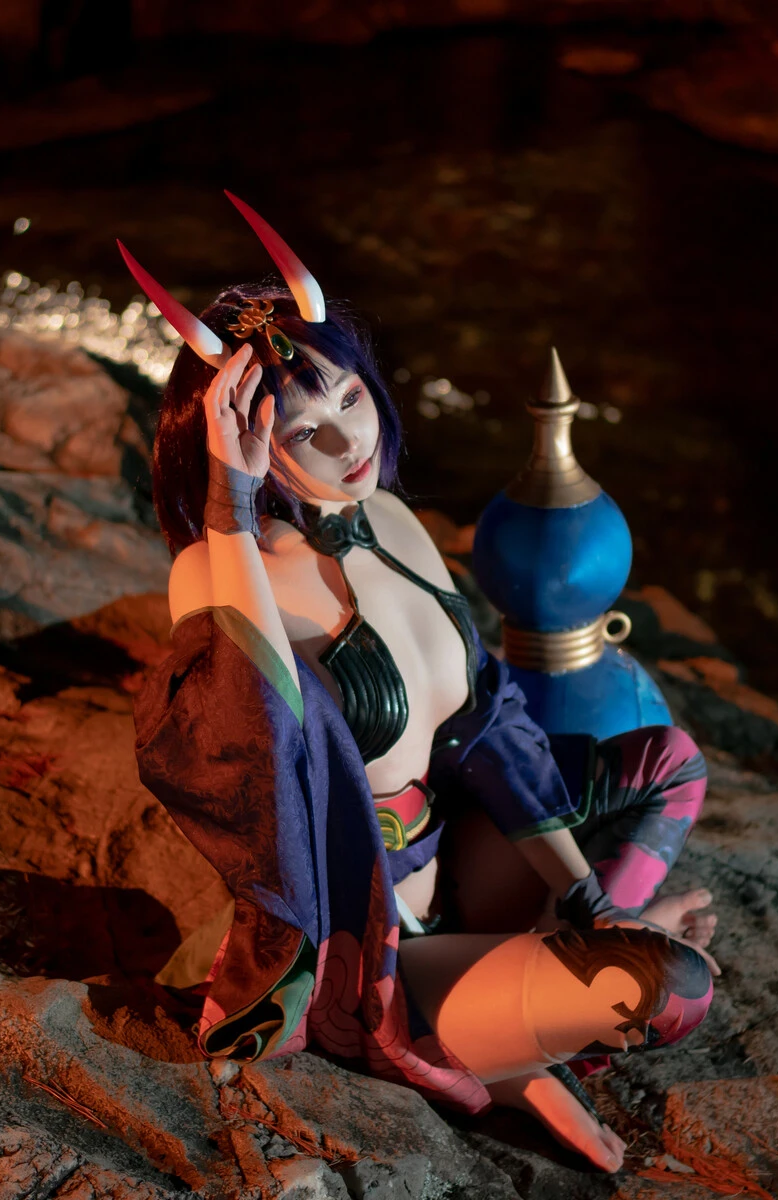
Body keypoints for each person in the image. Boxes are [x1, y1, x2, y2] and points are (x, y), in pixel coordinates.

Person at [129, 193, 720, 1171]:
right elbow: (244, 737)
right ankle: (512, 1056)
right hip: (376, 946)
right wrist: (230, 505)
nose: (345, 441)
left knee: (671, 764)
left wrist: (585, 899)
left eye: (348, 397)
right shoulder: (217, 574)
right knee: (668, 993)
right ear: (245, 448)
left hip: (465, 861)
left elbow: (486, 724)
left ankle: (548, 975)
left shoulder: (393, 520)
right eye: (299, 432)